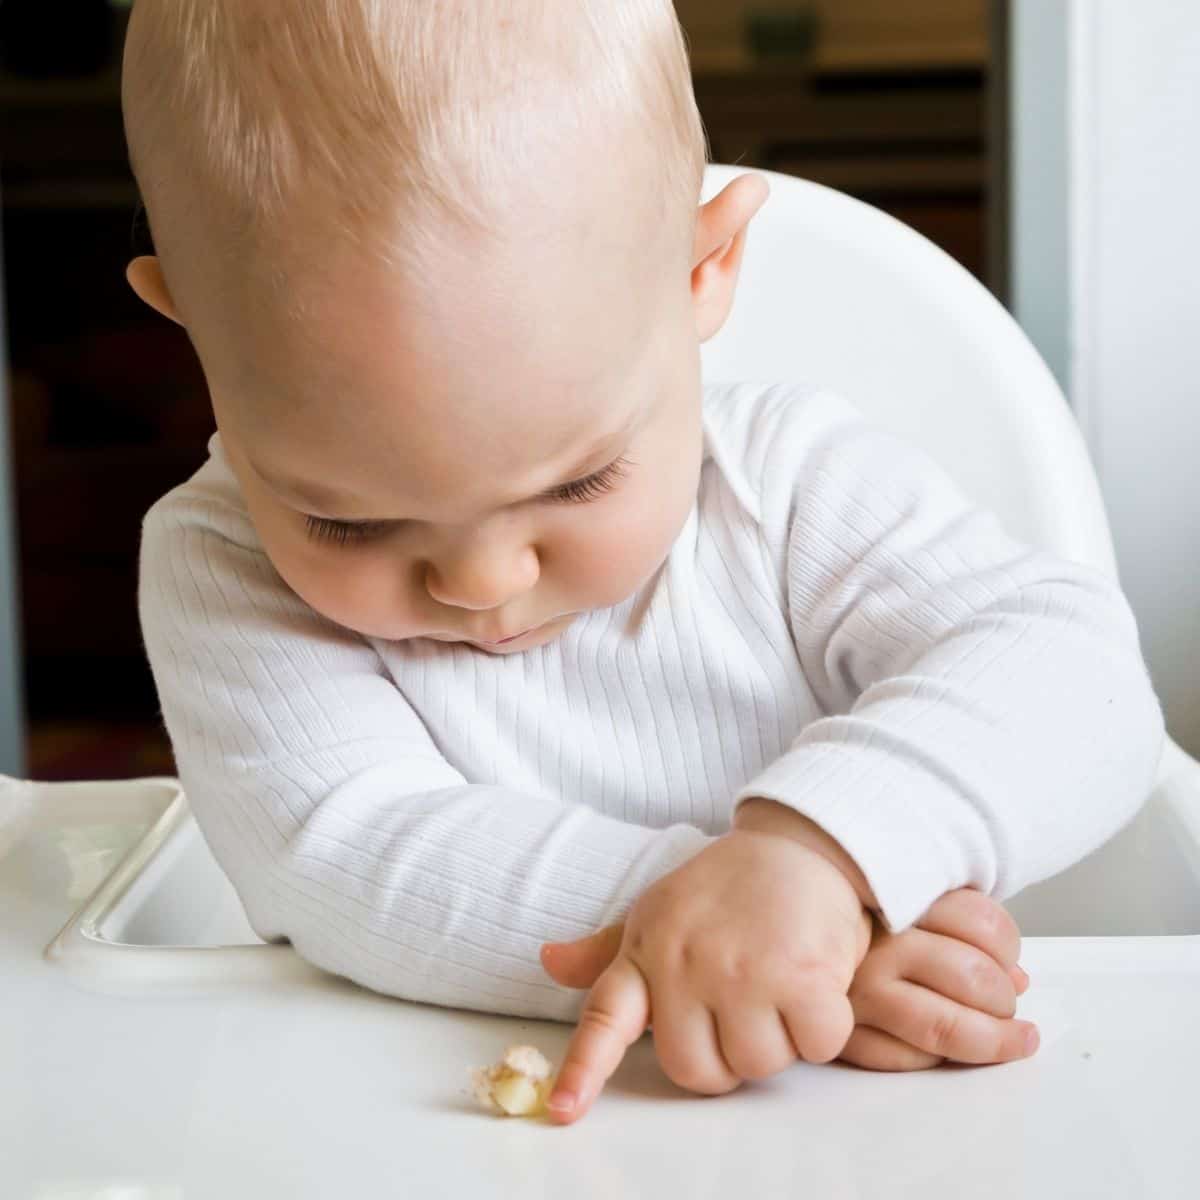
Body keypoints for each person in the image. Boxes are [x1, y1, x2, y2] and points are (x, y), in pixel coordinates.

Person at [122, 1, 1163, 1125]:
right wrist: (744, 942)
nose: (481, 581)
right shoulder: (220, 561)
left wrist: (823, 862)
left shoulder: (787, 482)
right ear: (190, 333)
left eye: (575, 485)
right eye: (350, 523)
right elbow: (339, 850)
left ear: (705, 271)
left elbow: (1079, 679)